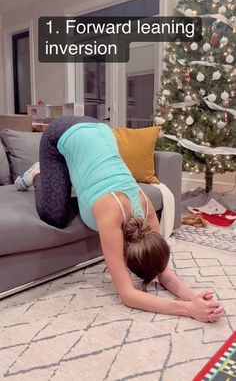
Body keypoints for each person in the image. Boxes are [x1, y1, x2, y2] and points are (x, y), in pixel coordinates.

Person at [15, 116, 224, 323]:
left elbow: (165, 274)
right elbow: (128, 295)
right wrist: (188, 309)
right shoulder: (111, 216)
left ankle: (63, 175)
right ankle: (38, 172)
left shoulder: (147, 208)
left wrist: (193, 297)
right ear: (126, 259)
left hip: (100, 128)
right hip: (61, 132)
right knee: (55, 215)